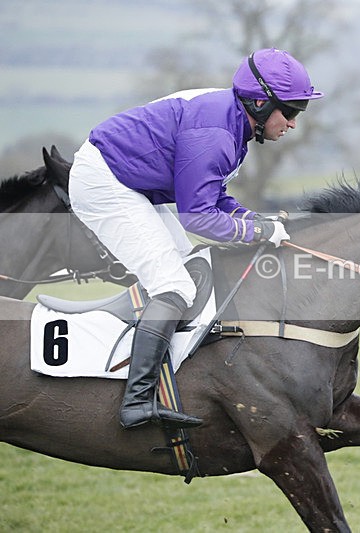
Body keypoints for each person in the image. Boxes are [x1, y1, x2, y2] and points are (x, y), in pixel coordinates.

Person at [68, 48, 323, 430]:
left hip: (132, 184)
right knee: (174, 286)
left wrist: (258, 221)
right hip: (106, 183)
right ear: (259, 102)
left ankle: (171, 376)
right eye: (290, 112)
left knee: (191, 273)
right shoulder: (216, 134)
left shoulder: (234, 122)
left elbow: (213, 196)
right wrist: (258, 230)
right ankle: (136, 401)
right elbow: (199, 218)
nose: (293, 123)